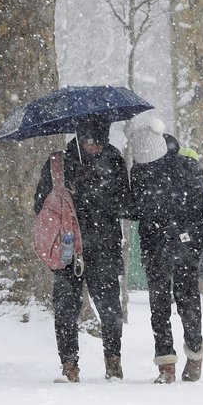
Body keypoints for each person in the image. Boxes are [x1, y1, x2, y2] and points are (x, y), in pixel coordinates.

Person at [34, 115, 133, 382]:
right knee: (66, 308)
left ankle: (113, 360)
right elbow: (41, 207)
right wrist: (69, 203)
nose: (97, 147)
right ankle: (69, 365)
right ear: (80, 138)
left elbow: (126, 203)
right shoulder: (59, 164)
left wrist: (99, 195)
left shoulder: (114, 161)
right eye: (91, 142)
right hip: (67, 249)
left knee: (110, 307)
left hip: (104, 245)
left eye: (101, 142)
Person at [125, 115, 203, 384]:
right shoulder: (139, 171)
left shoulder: (186, 167)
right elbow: (136, 209)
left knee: (188, 303)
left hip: (185, 245)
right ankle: (166, 364)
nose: (148, 169)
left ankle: (195, 352)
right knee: (159, 306)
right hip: (154, 247)